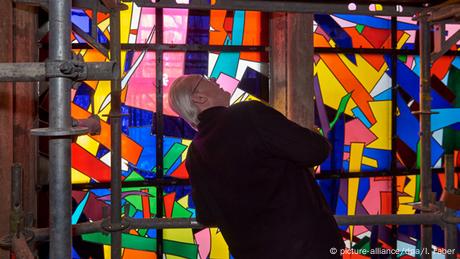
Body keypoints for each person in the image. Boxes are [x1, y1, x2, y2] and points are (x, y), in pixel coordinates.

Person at [168, 74, 344, 259]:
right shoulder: (247, 114)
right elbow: (315, 151)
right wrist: (311, 134)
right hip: (307, 249)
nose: (214, 80)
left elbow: (207, 215)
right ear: (199, 98)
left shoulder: (195, 153)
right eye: (205, 78)